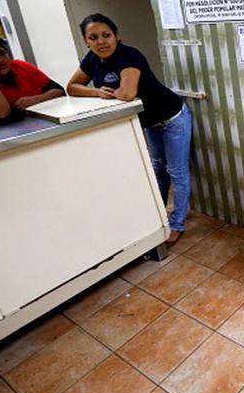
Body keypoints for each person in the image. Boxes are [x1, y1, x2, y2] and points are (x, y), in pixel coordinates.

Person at [67, 13, 191, 244]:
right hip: (151, 123)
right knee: (158, 169)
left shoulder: (129, 56)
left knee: (177, 171)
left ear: (117, 36)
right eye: (93, 37)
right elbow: (71, 87)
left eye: (107, 35)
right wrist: (98, 92)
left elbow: (127, 93)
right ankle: (159, 217)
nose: (101, 41)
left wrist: (106, 92)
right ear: (86, 41)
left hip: (173, 117)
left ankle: (177, 224)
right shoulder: (91, 60)